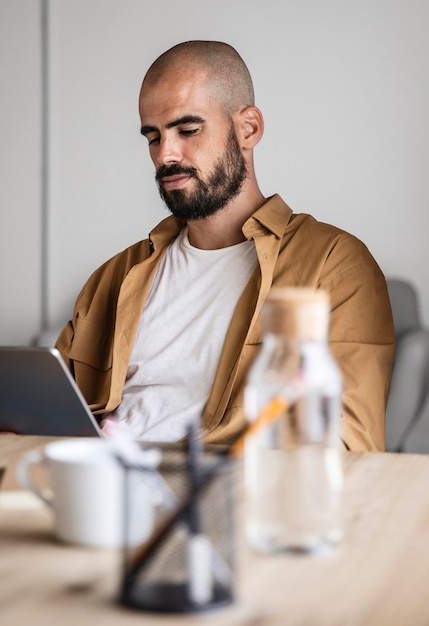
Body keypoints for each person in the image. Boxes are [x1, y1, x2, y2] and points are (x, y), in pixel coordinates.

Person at [55, 40, 395, 451]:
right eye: (153, 137)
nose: (166, 154)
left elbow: (348, 443)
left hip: (223, 496)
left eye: (188, 130)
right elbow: (48, 409)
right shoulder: (115, 275)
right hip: (96, 487)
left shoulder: (334, 265)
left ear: (248, 128)